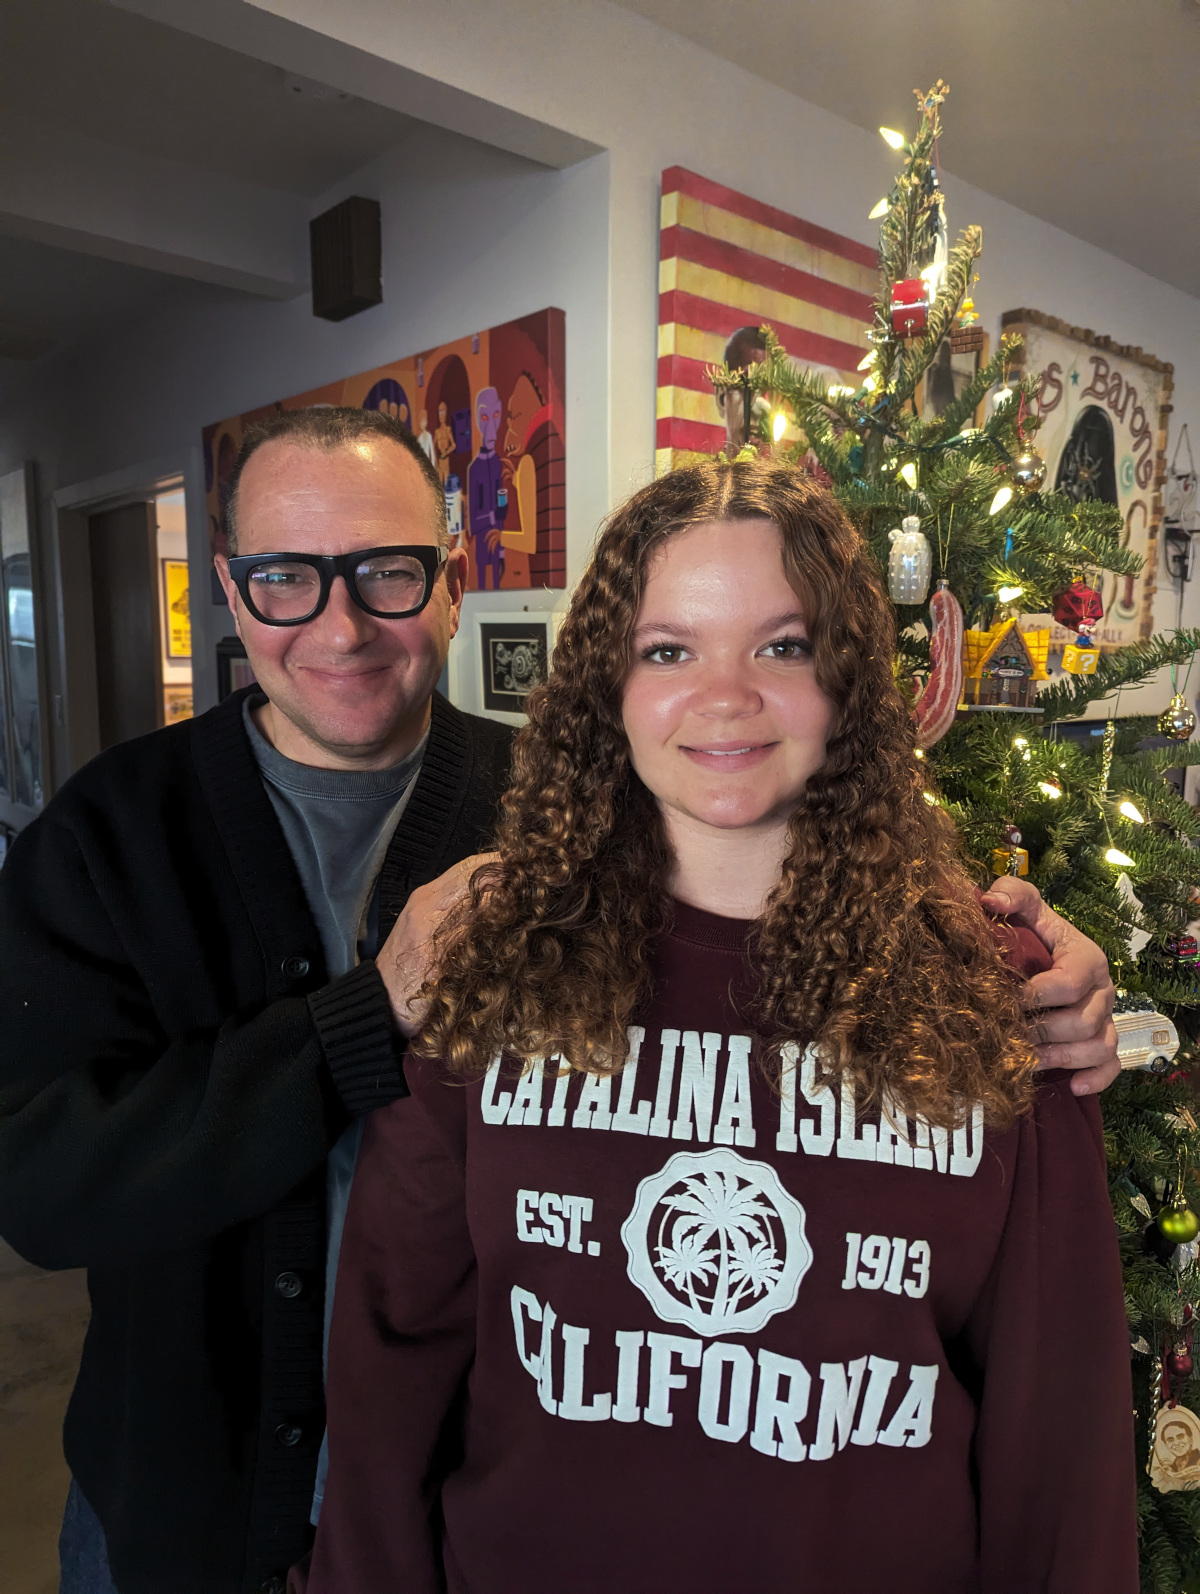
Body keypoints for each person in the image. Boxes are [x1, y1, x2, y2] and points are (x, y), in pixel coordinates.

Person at [302, 458, 1136, 1593]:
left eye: (783, 646)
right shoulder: (494, 961)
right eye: (669, 649)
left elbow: (1061, 1442)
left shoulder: (997, 990)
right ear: (613, 687)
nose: (726, 694)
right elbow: (391, 1372)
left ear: (847, 678)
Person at [0, 407, 513, 1594]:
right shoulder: (106, 833)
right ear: (233, 592)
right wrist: (362, 1021)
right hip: (182, 1511)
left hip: (468, 1510)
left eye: (386, 572)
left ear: (450, 582)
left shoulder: (556, 811)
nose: (341, 628)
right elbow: (41, 1185)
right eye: (289, 576)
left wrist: (1028, 966)